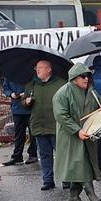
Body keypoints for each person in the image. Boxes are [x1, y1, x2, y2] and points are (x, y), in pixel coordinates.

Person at [52, 63, 101, 201]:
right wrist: (76, 130)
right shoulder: (62, 93)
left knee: (82, 164)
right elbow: (61, 115)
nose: (86, 79)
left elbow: (100, 104)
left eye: (88, 76)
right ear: (74, 78)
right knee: (81, 164)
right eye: (83, 76)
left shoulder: (91, 91)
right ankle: (92, 196)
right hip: (71, 136)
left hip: (87, 134)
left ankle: (73, 196)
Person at [25, 60, 67, 191]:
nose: (37, 70)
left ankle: (66, 179)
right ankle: (47, 180)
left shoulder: (61, 83)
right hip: (38, 125)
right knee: (44, 155)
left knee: (61, 154)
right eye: (36, 68)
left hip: (56, 125)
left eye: (40, 68)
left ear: (49, 69)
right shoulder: (31, 84)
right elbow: (24, 102)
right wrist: (26, 102)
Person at [1, 75, 35, 166]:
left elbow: (35, 87)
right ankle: (17, 155)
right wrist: (11, 94)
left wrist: (27, 93)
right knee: (19, 134)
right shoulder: (9, 75)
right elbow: (5, 88)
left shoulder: (30, 74)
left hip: (30, 108)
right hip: (17, 108)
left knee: (33, 133)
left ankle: (33, 154)